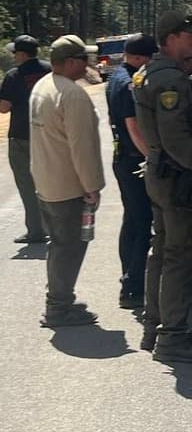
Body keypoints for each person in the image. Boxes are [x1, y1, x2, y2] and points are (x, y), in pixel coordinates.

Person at [133, 11, 192, 363]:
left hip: (162, 174)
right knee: (181, 256)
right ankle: (172, 336)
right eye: (190, 36)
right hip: (178, 178)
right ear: (171, 39)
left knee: (162, 250)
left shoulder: (149, 73)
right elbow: (175, 139)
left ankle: (154, 326)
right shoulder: (170, 80)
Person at [28, 36, 105, 328]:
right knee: (69, 248)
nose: (88, 65)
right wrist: (92, 186)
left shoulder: (43, 86)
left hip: (47, 180)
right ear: (71, 62)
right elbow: (81, 148)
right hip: (68, 185)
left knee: (59, 245)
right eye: (84, 60)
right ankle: (58, 307)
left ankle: (59, 300)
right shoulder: (72, 94)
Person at [105, 34, 158, 308]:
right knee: (142, 223)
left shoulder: (115, 76)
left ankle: (128, 275)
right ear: (138, 57)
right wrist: (152, 157)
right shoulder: (130, 84)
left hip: (122, 158)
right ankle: (132, 287)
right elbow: (133, 127)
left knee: (132, 221)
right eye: (149, 57)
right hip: (135, 159)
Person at [1, 35, 52, 244]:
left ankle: (36, 230)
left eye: (15, 53)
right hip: (49, 135)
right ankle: (57, 226)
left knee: (27, 185)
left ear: (22, 54)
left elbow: (4, 108)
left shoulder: (14, 75)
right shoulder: (50, 70)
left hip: (21, 136)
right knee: (51, 181)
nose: (14, 56)